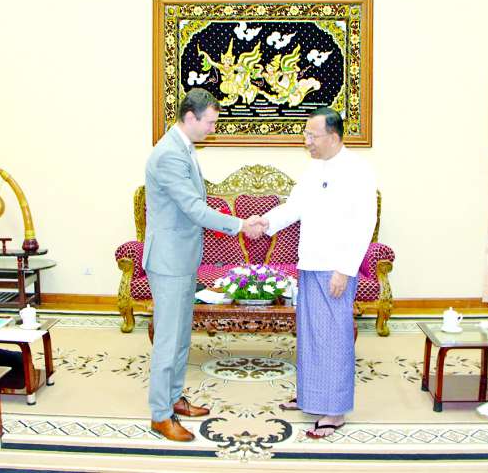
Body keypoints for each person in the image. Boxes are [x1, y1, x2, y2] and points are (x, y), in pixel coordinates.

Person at [144, 87, 267, 442]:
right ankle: (160, 415)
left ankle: (174, 397)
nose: (213, 129)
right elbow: (194, 208)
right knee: (168, 339)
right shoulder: (169, 154)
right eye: (210, 122)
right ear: (190, 117)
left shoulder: (183, 147)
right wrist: (240, 224)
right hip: (168, 261)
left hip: (182, 258)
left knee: (181, 335)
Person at [263, 107, 377, 439]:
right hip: (310, 263)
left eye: (312, 135)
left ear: (333, 136)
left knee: (334, 338)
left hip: (335, 268)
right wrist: (263, 223)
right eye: (306, 135)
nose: (307, 141)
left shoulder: (357, 170)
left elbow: (365, 222)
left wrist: (345, 269)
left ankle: (335, 410)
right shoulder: (314, 168)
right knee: (311, 335)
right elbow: (294, 207)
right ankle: (310, 395)